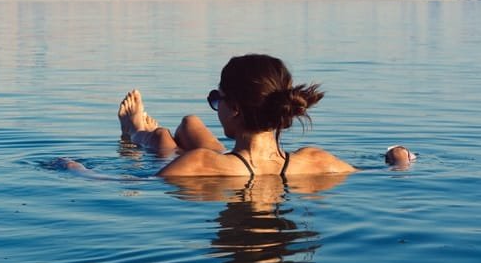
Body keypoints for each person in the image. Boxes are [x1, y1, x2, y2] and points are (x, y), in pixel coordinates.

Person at [118, 53, 405, 178]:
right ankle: (146, 133)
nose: (217, 107)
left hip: (228, 165)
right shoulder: (318, 161)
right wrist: (398, 155)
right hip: (244, 163)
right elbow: (390, 170)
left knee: (165, 140)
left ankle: (135, 132)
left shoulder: (198, 163)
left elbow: (120, 181)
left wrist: (72, 165)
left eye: (217, 99)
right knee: (191, 123)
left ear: (236, 108)